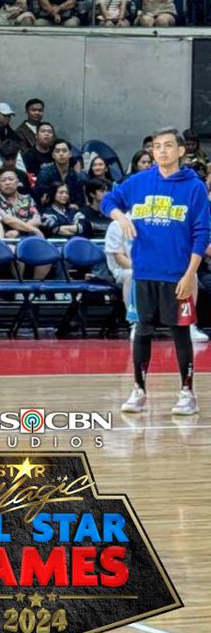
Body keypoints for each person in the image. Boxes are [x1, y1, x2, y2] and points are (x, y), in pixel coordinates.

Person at [103, 127, 210, 417]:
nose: (161, 151)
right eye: (156, 146)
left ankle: (187, 393)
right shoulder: (139, 182)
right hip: (143, 274)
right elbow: (108, 201)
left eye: (167, 146)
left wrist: (190, 275)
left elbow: (201, 233)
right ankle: (138, 391)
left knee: (180, 333)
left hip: (177, 274)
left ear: (180, 151)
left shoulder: (194, 187)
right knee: (141, 332)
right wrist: (120, 215)